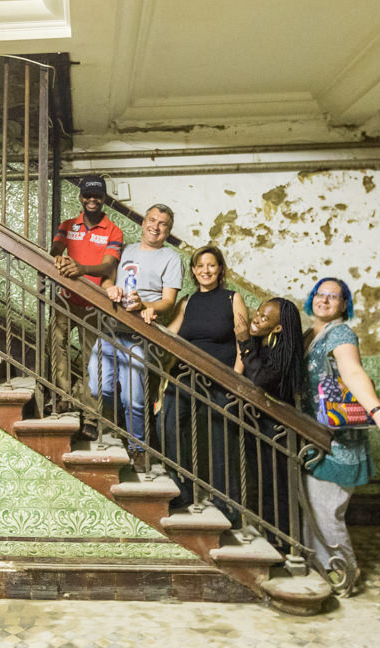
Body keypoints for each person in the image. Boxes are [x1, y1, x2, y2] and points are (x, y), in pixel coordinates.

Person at [301, 277, 380, 582]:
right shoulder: (308, 335)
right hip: (313, 434)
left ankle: (344, 571)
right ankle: (322, 568)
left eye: (333, 297)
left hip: (339, 440)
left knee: (326, 509)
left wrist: (377, 411)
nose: (324, 300)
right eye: (319, 294)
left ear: (344, 304)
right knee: (312, 508)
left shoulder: (340, 333)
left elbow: (352, 370)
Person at [143, 245, 246, 514]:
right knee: (168, 427)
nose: (205, 271)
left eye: (211, 265)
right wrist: (148, 315)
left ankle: (228, 505)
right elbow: (169, 337)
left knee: (220, 439)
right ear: (193, 271)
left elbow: (243, 342)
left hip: (220, 378)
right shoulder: (187, 302)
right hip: (185, 376)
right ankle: (183, 488)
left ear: (220, 269)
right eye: (200, 266)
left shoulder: (232, 299)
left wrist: (235, 380)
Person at [90, 204, 182, 470]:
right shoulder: (126, 249)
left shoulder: (171, 258)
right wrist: (111, 289)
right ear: (143, 223)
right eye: (152, 220)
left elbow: (168, 302)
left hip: (140, 337)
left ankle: (138, 448)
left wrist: (146, 306)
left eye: (162, 223)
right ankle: (121, 426)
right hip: (109, 330)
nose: (155, 226)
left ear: (168, 230)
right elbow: (106, 281)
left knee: (135, 399)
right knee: (100, 388)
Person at [47, 175, 123, 428]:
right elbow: (55, 250)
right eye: (87, 195)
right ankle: (65, 398)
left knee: (94, 361)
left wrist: (81, 269)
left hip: (94, 306)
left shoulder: (114, 230)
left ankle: (91, 416)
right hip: (66, 300)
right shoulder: (68, 225)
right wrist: (58, 258)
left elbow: (109, 265)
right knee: (56, 345)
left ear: (104, 199)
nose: (92, 200)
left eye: (97, 196)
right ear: (80, 197)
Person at [234, 297, 305, 545]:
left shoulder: (282, 349)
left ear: (277, 328)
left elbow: (262, 379)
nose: (256, 318)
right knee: (263, 484)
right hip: (258, 424)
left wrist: (243, 340)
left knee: (279, 487)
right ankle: (270, 537)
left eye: (265, 318)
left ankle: (285, 543)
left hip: (277, 428)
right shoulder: (261, 342)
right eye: (259, 312)